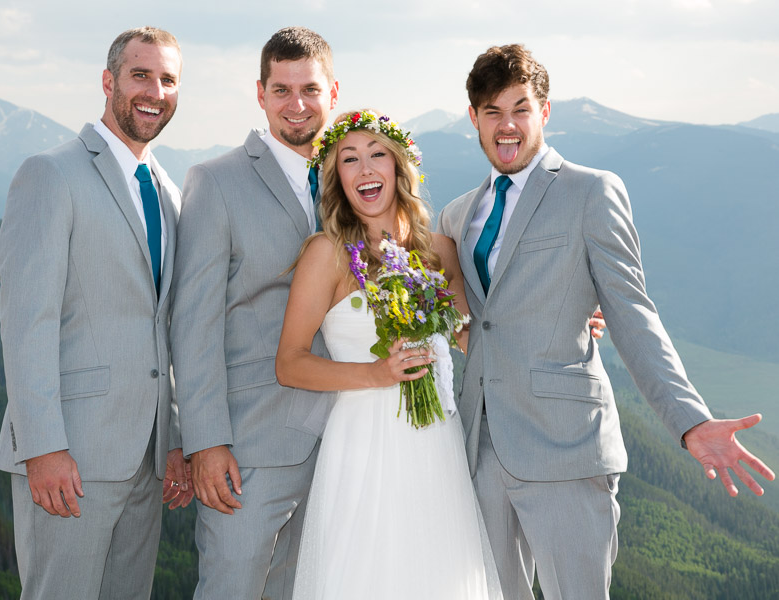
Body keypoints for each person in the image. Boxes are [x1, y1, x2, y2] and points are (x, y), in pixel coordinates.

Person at [436, 44, 776, 600]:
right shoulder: (455, 215)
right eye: (492, 111)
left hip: (566, 447)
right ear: (473, 117)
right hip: (479, 447)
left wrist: (690, 421)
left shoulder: (591, 191)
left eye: (520, 108)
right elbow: (465, 317)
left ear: (544, 112)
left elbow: (633, 312)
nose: (507, 125)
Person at [0, 27, 194, 599]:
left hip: (147, 459)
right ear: (109, 82)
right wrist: (43, 446)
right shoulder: (50, 173)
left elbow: (167, 327)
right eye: (140, 75)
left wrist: (175, 437)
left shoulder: (167, 191)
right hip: (71, 456)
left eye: (168, 79)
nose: (154, 90)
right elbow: (27, 320)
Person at [275, 109, 502, 599]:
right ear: (337, 176)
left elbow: (471, 340)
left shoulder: (440, 250)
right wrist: (376, 373)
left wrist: (567, 324)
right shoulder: (326, 253)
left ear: (400, 167)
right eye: (350, 159)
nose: (365, 169)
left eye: (378, 154)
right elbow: (289, 363)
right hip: (362, 446)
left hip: (435, 442)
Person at [169, 27, 338, 600]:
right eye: (282, 89)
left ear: (332, 93)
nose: (297, 104)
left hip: (345, 440)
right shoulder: (215, 182)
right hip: (250, 445)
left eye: (309, 89)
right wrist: (206, 442)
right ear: (260, 93)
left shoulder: (357, 178)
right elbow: (193, 323)